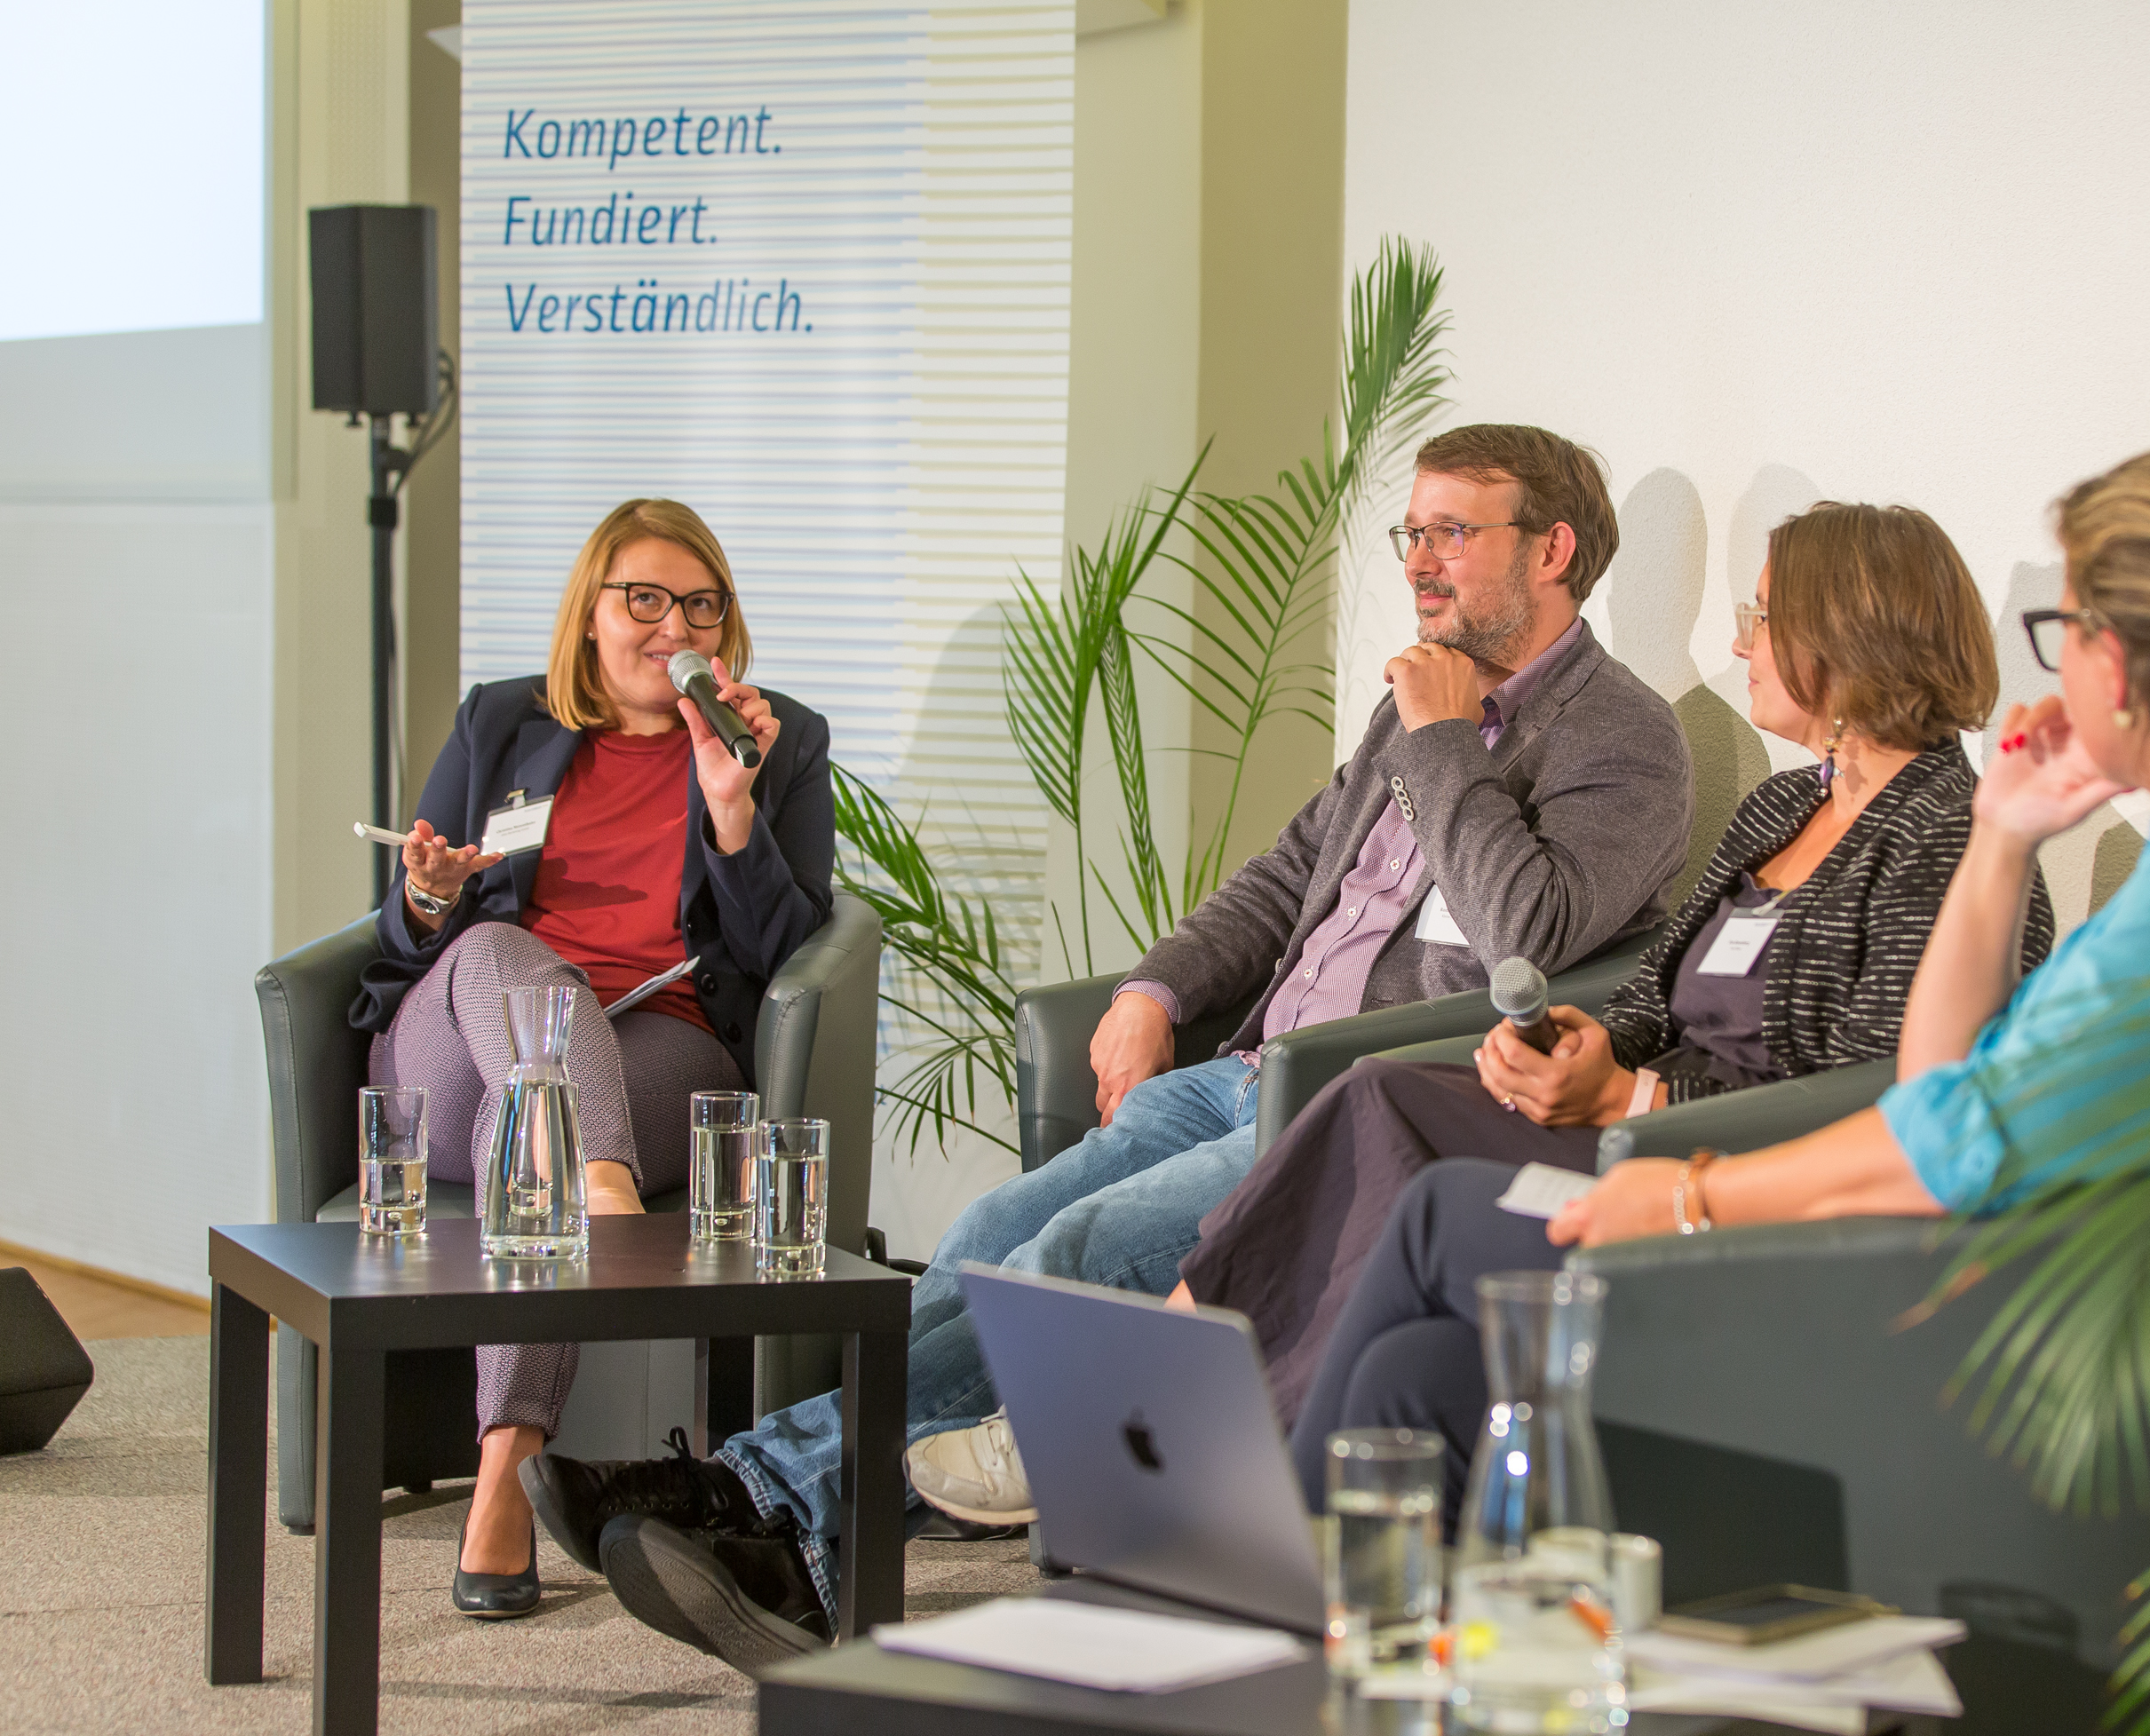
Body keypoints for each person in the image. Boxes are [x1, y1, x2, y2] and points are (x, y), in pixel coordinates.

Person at [533, 423, 1698, 1670]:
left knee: (1076, 1254)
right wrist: (1152, 987)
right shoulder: (1413, 693)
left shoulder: (1620, 740)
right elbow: (1292, 873)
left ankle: (756, 1499)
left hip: (1355, 1103)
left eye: (1452, 533)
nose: (1420, 561)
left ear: (1553, 549)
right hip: (1237, 1071)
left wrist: (1440, 744)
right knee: (986, 1239)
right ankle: (778, 1513)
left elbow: (1535, 927)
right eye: (1411, 532)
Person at [1290, 443, 2150, 1519]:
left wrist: (1688, 1193)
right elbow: (1944, 1082)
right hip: (1953, 1280)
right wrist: (2004, 831)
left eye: (2062, 626)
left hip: (1944, 1327)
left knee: (1442, 1217)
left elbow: (1946, 1138)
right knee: (1418, 1366)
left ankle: (1253, 1602)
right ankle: (1329, 1628)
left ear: (2117, 652)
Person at [1178, 501, 2053, 1426]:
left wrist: (1634, 1103)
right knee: (1373, 1091)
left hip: (1718, 1164)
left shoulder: (1946, 833)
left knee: (1405, 1194)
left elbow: (1869, 1092)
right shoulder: (1783, 804)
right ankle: (1191, 1388)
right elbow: (1651, 994)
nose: (1738, 641)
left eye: (1760, 617)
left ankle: (1205, 1420)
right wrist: (1582, 1047)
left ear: (1847, 636)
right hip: (1623, 1123)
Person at [353, 498, 832, 1618]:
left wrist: (731, 809)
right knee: (494, 947)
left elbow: (784, 952)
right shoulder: (498, 722)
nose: (675, 627)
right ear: (592, 610)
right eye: (647, 600)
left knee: (537, 1122)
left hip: (662, 1038)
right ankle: (599, 1185)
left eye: (700, 605)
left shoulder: (780, 739)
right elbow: (400, 930)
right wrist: (427, 893)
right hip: (461, 1036)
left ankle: (500, 1477)